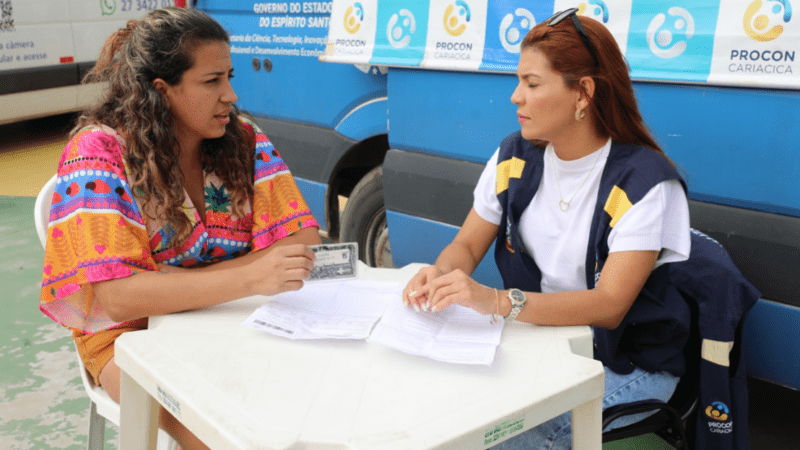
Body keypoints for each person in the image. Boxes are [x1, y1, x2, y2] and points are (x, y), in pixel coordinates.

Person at [403, 9, 692, 449]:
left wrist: (498, 301)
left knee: (504, 440)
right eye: (519, 81)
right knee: (443, 415)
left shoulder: (646, 181)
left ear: (583, 93)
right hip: (543, 346)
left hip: (625, 364)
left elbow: (610, 305)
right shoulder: (513, 157)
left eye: (532, 84)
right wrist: (439, 272)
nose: (515, 97)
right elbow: (466, 243)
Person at [39, 7, 320, 449]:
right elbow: (119, 298)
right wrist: (249, 275)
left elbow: (303, 242)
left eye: (230, 77)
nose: (229, 95)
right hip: (131, 339)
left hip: (235, 319)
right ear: (161, 90)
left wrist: (169, 281)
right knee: (222, 436)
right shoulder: (98, 155)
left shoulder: (243, 140)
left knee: (313, 410)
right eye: (212, 82)